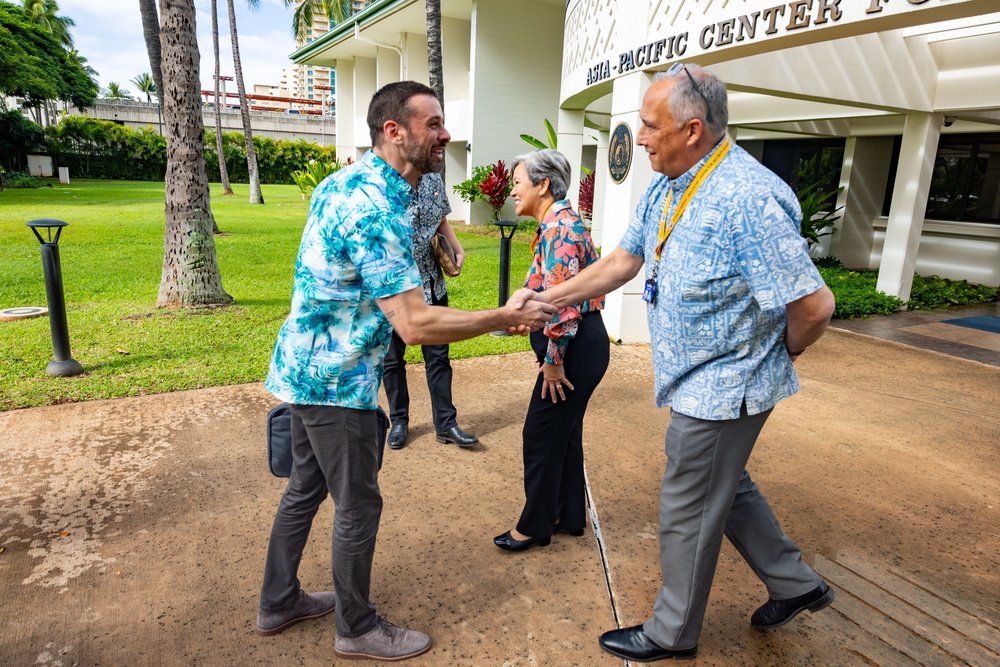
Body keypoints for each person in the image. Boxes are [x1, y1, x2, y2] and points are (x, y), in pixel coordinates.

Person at [511, 63, 837, 661]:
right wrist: (544, 298)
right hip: (697, 380)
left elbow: (815, 306)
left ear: (692, 129)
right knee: (723, 484)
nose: (638, 137)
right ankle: (796, 583)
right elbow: (621, 263)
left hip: (725, 384)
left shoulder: (748, 197)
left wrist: (773, 355)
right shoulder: (669, 182)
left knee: (686, 503)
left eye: (648, 125)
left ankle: (671, 632)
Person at [256, 81, 557, 662]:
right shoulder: (373, 206)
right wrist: (501, 315)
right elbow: (415, 324)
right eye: (433, 123)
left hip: (305, 366)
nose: (445, 133)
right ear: (395, 131)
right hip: (335, 383)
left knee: (304, 488)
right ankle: (356, 627)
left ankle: (278, 601)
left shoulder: (353, 183)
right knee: (358, 505)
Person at [493, 149, 609, 552]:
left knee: (540, 435)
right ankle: (566, 514)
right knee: (563, 434)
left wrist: (553, 362)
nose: (512, 191)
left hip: (572, 348)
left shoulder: (560, 228)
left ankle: (535, 525)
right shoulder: (556, 225)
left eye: (518, 183)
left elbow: (564, 304)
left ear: (543, 185)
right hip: (579, 344)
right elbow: (544, 292)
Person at [383, 172, 478, 450]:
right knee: (392, 361)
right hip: (393, 291)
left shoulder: (433, 180)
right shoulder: (383, 181)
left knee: (438, 358)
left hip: (432, 285)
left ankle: (446, 424)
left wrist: (458, 250)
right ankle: (399, 421)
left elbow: (441, 221)